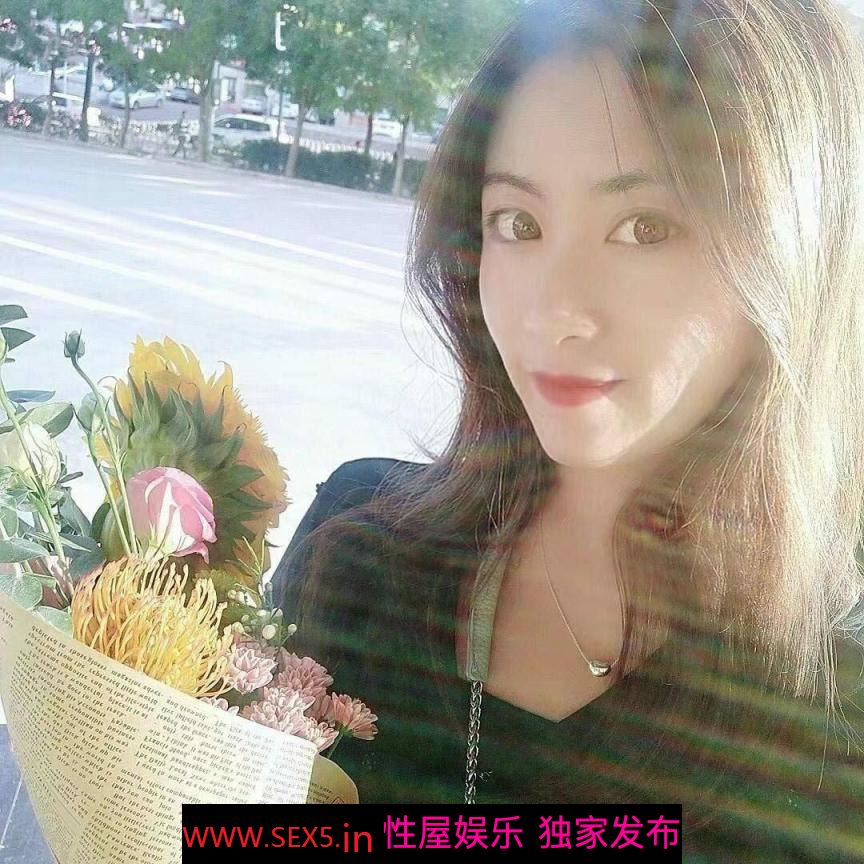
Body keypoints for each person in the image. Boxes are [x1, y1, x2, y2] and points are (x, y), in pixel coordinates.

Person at [270, 0, 864, 858]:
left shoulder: (837, 699)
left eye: (645, 228)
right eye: (519, 223)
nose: (553, 311)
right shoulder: (358, 554)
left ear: (794, 254)